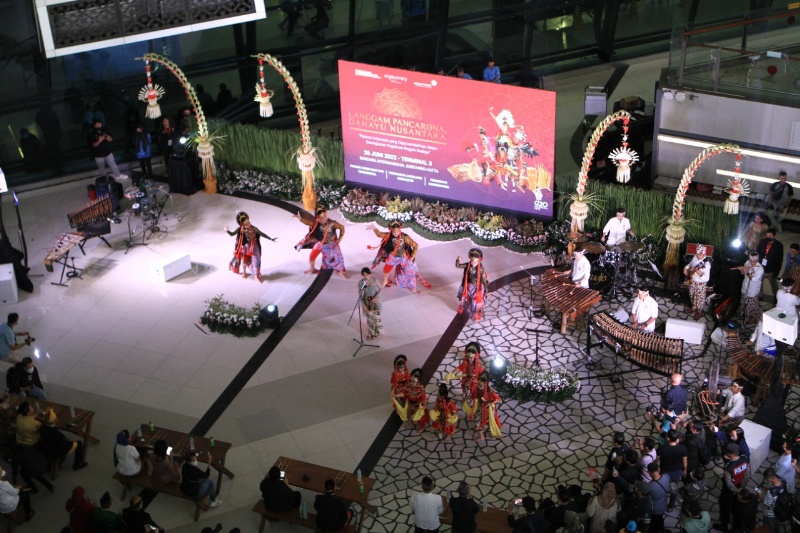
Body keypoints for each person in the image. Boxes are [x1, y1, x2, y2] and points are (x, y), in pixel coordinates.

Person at [368, 221, 423, 293]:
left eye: (397, 232)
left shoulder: (405, 237)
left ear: (400, 230)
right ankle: (385, 281)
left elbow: (415, 245)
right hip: (393, 258)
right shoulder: (389, 235)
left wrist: (412, 256)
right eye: (394, 232)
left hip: (403, 257)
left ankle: (413, 287)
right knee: (386, 270)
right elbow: (380, 234)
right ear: (391, 230)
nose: (395, 234)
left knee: (411, 271)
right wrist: (374, 228)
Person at [294, 207, 347, 277]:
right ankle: (312, 268)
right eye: (321, 218)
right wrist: (300, 218)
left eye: (325, 216)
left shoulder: (332, 223)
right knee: (312, 256)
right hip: (320, 243)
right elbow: (308, 222)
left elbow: (342, 227)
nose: (324, 218)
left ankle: (341, 271)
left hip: (332, 244)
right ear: (318, 218)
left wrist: (340, 238)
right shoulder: (315, 223)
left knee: (338, 258)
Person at [225, 211, 276, 283]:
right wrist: (227, 231)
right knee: (244, 260)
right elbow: (232, 234)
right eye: (246, 222)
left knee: (256, 260)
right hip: (245, 246)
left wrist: (270, 238)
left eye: (248, 221)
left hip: (253, 246)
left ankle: (256, 275)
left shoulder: (253, 228)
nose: (248, 223)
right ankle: (244, 273)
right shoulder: (240, 229)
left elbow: (261, 233)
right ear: (242, 223)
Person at [714, 443, 750, 533]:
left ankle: (724, 525)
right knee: (735, 505)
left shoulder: (728, 468)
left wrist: (737, 491)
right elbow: (747, 475)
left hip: (728, 491)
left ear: (731, 455)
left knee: (724, 508)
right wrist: (741, 488)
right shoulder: (745, 460)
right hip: (739, 486)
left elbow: (729, 484)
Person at [445, 341, 484, 420]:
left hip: (474, 384)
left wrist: (481, 383)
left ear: (475, 357)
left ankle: (471, 410)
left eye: (471, 358)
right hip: (466, 382)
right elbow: (460, 367)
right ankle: (466, 403)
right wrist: (451, 373)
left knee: (473, 397)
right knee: (466, 393)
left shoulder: (479, 366)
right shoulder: (465, 362)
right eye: (468, 357)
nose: (470, 359)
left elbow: (481, 376)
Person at [455, 248, 490, 321]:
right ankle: (461, 306)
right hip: (467, 284)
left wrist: (485, 288)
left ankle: (477, 312)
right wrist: (457, 260)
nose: (474, 263)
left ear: (479, 261)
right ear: (470, 259)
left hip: (477, 286)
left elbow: (483, 278)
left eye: (476, 262)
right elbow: (458, 266)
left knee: (477, 301)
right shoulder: (467, 265)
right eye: (473, 261)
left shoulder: (480, 268)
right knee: (463, 296)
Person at [656, 429, 687, 511]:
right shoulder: (682, 448)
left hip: (664, 472)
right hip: (676, 472)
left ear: (668, 438)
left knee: (663, 488)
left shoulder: (662, 448)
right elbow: (684, 461)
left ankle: (661, 504)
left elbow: (656, 460)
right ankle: (671, 507)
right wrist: (685, 470)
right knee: (674, 490)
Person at [734, 251, 764, 324]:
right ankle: (743, 313)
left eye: (754, 261)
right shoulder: (747, 262)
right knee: (743, 301)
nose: (752, 263)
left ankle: (753, 317)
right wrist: (741, 270)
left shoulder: (760, 269)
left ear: (757, 260)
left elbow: (754, 279)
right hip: (745, 286)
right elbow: (743, 273)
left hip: (753, 289)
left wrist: (747, 272)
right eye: (751, 261)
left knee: (752, 304)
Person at [683, 245, 711, 320]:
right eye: (697, 253)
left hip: (700, 284)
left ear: (704, 253)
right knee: (692, 295)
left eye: (700, 253)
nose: (698, 255)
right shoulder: (695, 257)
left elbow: (707, 278)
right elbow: (691, 264)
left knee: (700, 299)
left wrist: (698, 271)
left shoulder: (707, 264)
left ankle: (699, 311)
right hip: (692, 281)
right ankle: (693, 308)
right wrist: (686, 268)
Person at [756, 228, 784, 304]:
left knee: (772, 281)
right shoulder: (762, 241)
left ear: (774, 236)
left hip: (771, 266)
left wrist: (777, 270)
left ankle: (776, 295)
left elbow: (779, 259)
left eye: (770, 236)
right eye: (767, 236)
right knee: (759, 281)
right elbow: (757, 251)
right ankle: (760, 295)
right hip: (761, 265)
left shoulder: (779, 245)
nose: (768, 238)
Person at [646, 462, 673, 533]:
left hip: (654, 510)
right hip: (663, 505)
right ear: (659, 469)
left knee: (653, 525)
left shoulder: (650, 486)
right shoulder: (666, 476)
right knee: (660, 521)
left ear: (649, 472)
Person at [475, 371, 501, 441]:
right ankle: (482, 436)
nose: (479, 380)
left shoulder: (489, 391)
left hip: (488, 409)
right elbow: (475, 396)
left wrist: (490, 404)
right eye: (480, 378)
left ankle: (494, 433)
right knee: (478, 421)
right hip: (481, 408)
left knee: (490, 421)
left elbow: (498, 399)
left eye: (482, 379)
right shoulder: (477, 388)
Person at [759, 467, 787, 533]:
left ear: (769, 479)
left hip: (771, 514)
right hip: (780, 510)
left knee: (769, 528)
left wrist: (759, 495)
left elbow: (766, 503)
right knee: (777, 526)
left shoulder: (771, 493)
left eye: (766, 479)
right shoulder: (784, 482)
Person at [359, 267, 382, 340]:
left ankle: (375, 332)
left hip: (375, 301)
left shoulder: (375, 280)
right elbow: (360, 295)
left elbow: (380, 289)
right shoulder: (361, 283)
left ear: (370, 274)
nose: (366, 277)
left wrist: (376, 297)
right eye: (364, 275)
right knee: (369, 319)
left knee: (375, 317)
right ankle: (370, 333)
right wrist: (363, 305)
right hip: (366, 301)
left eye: (367, 275)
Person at [391, 354, 411, 420]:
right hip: (398, 387)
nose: (401, 369)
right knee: (398, 399)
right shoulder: (395, 373)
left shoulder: (406, 372)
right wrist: (397, 390)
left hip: (405, 387)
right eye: (400, 368)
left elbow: (408, 380)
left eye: (402, 367)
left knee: (406, 399)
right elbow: (394, 382)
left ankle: (406, 412)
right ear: (397, 367)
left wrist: (407, 387)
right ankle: (399, 409)